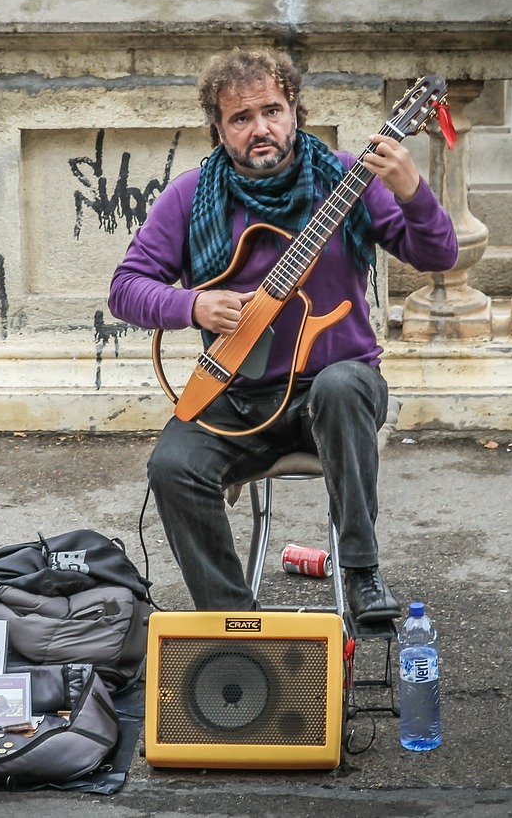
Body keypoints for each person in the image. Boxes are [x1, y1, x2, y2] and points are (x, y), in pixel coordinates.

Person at [108, 48, 458, 622]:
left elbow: (438, 254)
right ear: (218, 129)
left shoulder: (350, 179)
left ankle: (362, 571)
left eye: (272, 110)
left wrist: (413, 190)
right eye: (240, 118)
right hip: (238, 397)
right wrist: (193, 305)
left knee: (342, 385)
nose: (260, 128)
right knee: (172, 467)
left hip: (337, 392)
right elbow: (126, 288)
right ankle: (236, 626)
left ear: (295, 110)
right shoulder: (191, 195)